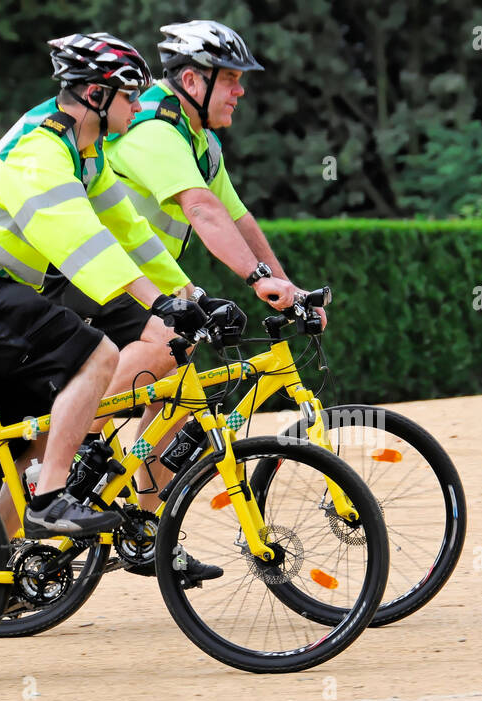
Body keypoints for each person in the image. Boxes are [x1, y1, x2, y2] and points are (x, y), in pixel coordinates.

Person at [0, 33, 219, 572]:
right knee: (97, 355)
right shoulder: (43, 149)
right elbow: (81, 245)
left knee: (35, 435)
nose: (141, 107)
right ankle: (50, 501)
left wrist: (189, 296)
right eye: (130, 96)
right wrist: (156, 303)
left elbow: (129, 231)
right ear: (96, 95)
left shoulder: (85, 149)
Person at [43, 20, 323, 499]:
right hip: (90, 275)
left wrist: (286, 287)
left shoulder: (201, 141)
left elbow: (238, 219)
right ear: (193, 81)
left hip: (140, 278)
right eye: (231, 78)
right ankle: (56, 456)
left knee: (180, 375)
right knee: (169, 342)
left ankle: (150, 518)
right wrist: (259, 280)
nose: (241, 90)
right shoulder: (154, 130)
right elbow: (200, 207)